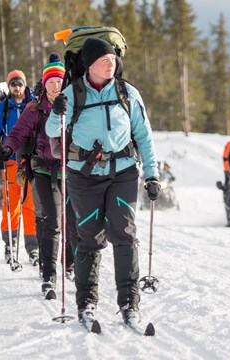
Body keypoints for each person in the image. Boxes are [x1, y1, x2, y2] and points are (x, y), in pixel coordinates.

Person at [45, 38, 160, 325]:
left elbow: (144, 136)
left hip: (122, 172)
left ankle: (129, 303)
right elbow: (51, 130)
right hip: (83, 176)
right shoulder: (72, 95)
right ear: (89, 64)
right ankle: (86, 303)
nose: (111, 64)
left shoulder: (127, 92)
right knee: (89, 238)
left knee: (124, 234)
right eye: (104, 60)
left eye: (113, 59)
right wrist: (56, 110)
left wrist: (152, 174)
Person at [0, 54, 77, 297]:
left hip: (71, 170)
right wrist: (8, 147)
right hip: (42, 170)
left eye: (60, 81)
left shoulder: (76, 105)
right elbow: (18, 132)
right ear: (45, 83)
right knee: (52, 220)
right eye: (51, 81)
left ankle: (71, 264)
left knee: (73, 221)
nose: (56, 86)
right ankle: (49, 274)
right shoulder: (35, 109)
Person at [0, 70, 39, 265]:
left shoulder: (35, 103)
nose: (16, 88)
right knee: (11, 205)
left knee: (31, 205)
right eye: (13, 84)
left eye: (19, 84)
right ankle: (9, 245)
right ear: (8, 86)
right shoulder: (2, 108)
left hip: (30, 161)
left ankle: (33, 247)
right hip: (11, 160)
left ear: (25, 84)